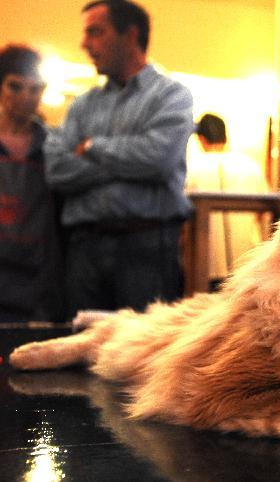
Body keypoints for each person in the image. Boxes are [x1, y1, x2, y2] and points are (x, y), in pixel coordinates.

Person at [44, 0, 194, 318]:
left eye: (95, 32)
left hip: (147, 246)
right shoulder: (82, 104)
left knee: (141, 355)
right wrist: (126, 166)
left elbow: (157, 160)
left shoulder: (171, 95)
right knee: (76, 352)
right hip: (83, 248)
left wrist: (92, 147)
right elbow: (56, 170)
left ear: (130, 35)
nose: (85, 44)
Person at [0, 44, 64, 323]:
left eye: (35, 89)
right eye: (15, 87)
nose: (26, 97)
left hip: (39, 276)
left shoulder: (55, 145)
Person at [186, 113, 270, 289]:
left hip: (206, 265)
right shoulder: (249, 166)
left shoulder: (194, 168)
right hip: (245, 263)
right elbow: (265, 213)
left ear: (201, 139)